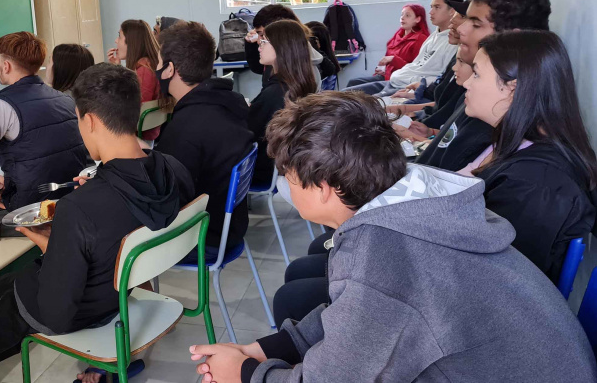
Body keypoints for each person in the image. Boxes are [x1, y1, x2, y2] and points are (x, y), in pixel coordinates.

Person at [189, 92, 597, 383]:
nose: (285, 186)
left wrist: (243, 373)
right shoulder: (406, 202)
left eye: (289, 177)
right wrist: (265, 350)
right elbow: (353, 317)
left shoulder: (386, 249)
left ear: (325, 186)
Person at [0, 64, 194, 375]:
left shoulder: (79, 209)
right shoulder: (174, 169)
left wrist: (53, 248)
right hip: (117, 291)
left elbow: (55, 315)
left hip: (83, 309)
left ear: (88, 120)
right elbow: (123, 211)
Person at [459, 31, 597, 281]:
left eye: (477, 74)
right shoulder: (513, 142)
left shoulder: (535, 183)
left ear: (513, 90)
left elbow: (497, 278)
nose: (467, 82)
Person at [0, 32, 91, 247]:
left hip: (34, 213)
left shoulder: (2, 106)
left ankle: (10, 272)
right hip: (71, 202)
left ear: (6, 66)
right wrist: (13, 181)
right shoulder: (65, 100)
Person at [416, 0, 552, 171]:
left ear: (512, 39)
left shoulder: (497, 120)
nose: (461, 28)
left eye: (476, 24)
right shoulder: (477, 99)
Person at [155, 22, 255, 254]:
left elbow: (164, 197)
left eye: (158, 63)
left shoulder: (187, 126)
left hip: (203, 234)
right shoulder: (229, 103)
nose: (156, 69)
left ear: (170, 69)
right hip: (230, 226)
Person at [248, 20, 317, 187]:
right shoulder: (297, 83)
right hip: (278, 164)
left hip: (261, 168)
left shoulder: (275, 92)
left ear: (281, 48)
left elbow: (248, 131)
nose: (259, 47)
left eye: (264, 42)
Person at [366, 0, 463, 97]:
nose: (431, 12)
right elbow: (416, 65)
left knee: (358, 105)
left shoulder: (452, 42)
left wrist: (408, 80)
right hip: (396, 80)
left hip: (406, 86)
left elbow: (439, 80)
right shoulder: (433, 36)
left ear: (452, 11)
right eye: (431, 7)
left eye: (437, 7)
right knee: (349, 92)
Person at [345, 4, 429, 94]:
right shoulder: (397, 36)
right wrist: (381, 69)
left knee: (350, 92)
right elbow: (387, 61)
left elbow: (415, 69)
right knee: (352, 82)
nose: (402, 18)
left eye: (407, 15)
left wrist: (393, 59)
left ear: (418, 19)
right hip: (385, 76)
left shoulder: (421, 39)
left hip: (399, 81)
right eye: (402, 14)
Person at [243, 5, 323, 87]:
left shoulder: (302, 50)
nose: (259, 41)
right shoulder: (277, 55)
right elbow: (259, 68)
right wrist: (250, 44)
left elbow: (327, 68)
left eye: (263, 35)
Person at [107, 20, 162, 140]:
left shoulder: (144, 72)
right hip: (142, 136)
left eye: (119, 37)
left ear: (132, 42)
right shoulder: (147, 66)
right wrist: (118, 68)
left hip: (138, 138)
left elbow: (134, 108)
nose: (116, 41)